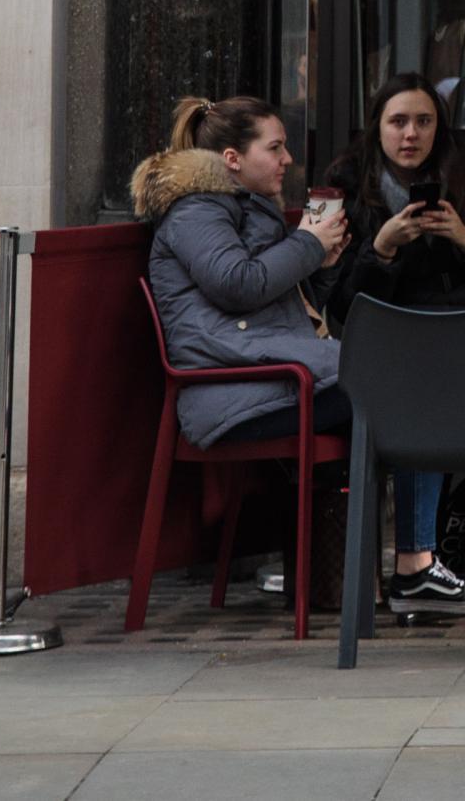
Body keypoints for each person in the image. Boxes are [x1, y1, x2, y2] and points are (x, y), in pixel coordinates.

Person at [316, 73, 465, 615]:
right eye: (397, 122)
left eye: (423, 121)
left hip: (463, 337)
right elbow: (339, 304)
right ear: (378, 128)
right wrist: (382, 248)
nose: (410, 134)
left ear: (440, 128)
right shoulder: (345, 185)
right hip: (387, 349)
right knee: (421, 381)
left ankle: (422, 560)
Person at [133, 96, 352, 601]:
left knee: (388, 394)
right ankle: (398, 568)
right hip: (228, 395)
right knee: (384, 392)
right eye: (274, 147)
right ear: (233, 159)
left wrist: (324, 262)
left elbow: (280, 310)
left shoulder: (246, 212)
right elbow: (240, 285)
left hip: (267, 377)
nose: (287, 159)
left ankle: (378, 572)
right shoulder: (194, 212)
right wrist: (307, 244)